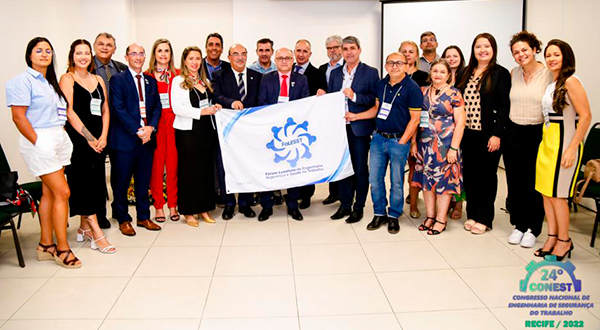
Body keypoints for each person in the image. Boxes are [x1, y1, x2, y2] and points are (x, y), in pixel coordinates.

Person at [6, 37, 80, 268]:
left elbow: (60, 112)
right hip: (41, 140)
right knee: (63, 192)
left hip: (58, 137)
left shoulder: (50, 83)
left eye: (48, 51)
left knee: (49, 193)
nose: (44, 54)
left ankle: (45, 244)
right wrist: (38, 142)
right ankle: (62, 248)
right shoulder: (21, 81)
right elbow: (18, 117)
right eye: (39, 50)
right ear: (30, 55)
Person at [346, 52, 421, 234]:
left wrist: (403, 141)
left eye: (398, 63)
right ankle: (379, 213)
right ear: (386, 66)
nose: (394, 66)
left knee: (396, 181)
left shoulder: (412, 88)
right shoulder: (381, 84)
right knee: (375, 179)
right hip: (378, 139)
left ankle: (394, 215)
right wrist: (356, 116)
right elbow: (377, 109)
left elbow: (415, 119)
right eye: (390, 63)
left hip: (398, 140)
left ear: (406, 65)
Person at [535, 39, 591, 260]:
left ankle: (564, 240)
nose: (551, 58)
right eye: (548, 55)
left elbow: (586, 116)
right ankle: (552, 236)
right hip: (548, 143)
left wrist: (572, 148)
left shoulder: (571, 81)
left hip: (564, 145)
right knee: (546, 194)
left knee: (559, 197)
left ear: (565, 56)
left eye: (556, 54)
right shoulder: (552, 83)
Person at [59, 39, 115, 254]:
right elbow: (69, 111)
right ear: (72, 56)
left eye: (86, 53)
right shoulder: (67, 78)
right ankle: (96, 232)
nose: (83, 56)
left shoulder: (98, 79)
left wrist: (103, 136)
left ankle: (83, 227)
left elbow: (105, 110)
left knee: (96, 182)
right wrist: (89, 138)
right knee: (83, 183)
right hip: (78, 141)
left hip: (99, 142)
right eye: (78, 53)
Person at [456, 33, 511, 235]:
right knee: (470, 175)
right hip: (467, 133)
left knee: (487, 176)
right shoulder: (465, 72)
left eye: (486, 46)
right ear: (473, 50)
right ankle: (472, 215)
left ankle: (485, 218)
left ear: (493, 49)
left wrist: (497, 134)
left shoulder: (500, 73)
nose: (482, 50)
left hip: (488, 135)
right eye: (478, 46)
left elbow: (505, 106)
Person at [504, 31, 553, 248]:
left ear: (534, 49)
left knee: (534, 182)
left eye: (524, 50)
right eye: (516, 52)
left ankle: (533, 227)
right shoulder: (514, 73)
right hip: (513, 132)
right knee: (515, 181)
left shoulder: (549, 74)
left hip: (537, 133)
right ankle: (519, 225)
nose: (521, 54)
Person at [109, 43, 162, 236]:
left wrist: (151, 128)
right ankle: (123, 219)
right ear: (126, 57)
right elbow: (118, 108)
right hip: (125, 141)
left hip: (146, 140)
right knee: (121, 182)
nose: (138, 57)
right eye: (134, 54)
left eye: (141, 54)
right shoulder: (118, 80)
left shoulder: (150, 81)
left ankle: (143, 217)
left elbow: (157, 107)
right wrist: (138, 130)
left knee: (142, 181)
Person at [412, 59, 466, 235]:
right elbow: (416, 119)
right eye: (435, 71)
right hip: (425, 145)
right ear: (430, 73)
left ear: (448, 74)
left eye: (442, 72)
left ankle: (441, 220)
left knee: (443, 184)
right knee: (427, 183)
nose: (438, 75)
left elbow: (460, 123)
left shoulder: (454, 94)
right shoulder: (423, 91)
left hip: (446, 146)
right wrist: (414, 142)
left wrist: (453, 148)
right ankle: (430, 216)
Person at [328, 36, 379, 223]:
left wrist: (355, 96)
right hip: (339, 128)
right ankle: (345, 205)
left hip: (359, 128)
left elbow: (375, 100)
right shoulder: (335, 73)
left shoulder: (371, 72)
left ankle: (359, 208)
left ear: (359, 50)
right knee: (342, 168)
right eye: (345, 49)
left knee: (359, 169)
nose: (349, 52)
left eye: (352, 48)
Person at [171, 46, 222, 227]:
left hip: (206, 130)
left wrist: (214, 108)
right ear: (184, 61)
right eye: (191, 58)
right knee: (189, 172)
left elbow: (208, 103)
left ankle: (204, 208)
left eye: (198, 58)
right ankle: (189, 211)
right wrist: (203, 111)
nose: (194, 62)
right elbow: (177, 108)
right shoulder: (178, 81)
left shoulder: (205, 80)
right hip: (188, 133)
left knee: (205, 171)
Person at [257, 47, 310, 221]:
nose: (284, 61)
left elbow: (305, 104)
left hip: (292, 132)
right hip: (272, 131)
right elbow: (262, 103)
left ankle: (293, 205)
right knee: (269, 166)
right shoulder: (266, 79)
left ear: (293, 60)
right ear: (275, 61)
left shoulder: (301, 79)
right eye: (280, 58)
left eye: (288, 58)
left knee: (292, 168)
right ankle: (266, 205)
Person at [212, 44, 262, 220]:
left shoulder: (257, 76)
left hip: (249, 132)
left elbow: (260, 101)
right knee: (225, 166)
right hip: (227, 131)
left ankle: (245, 203)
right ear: (229, 57)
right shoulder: (218, 76)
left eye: (243, 54)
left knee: (246, 165)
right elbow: (216, 96)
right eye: (235, 54)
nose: (240, 57)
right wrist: (231, 102)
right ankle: (229, 203)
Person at [91, 32, 127, 229]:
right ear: (94, 46)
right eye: (101, 44)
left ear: (115, 49)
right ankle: (99, 214)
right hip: (96, 130)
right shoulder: (85, 67)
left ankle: (118, 209)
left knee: (119, 173)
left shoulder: (121, 69)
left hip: (119, 129)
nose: (105, 47)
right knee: (97, 175)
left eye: (109, 45)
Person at [145, 39, 180, 223]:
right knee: (156, 168)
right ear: (154, 54)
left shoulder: (178, 75)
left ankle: (173, 205)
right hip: (156, 125)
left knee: (173, 166)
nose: (163, 54)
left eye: (167, 50)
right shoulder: (146, 76)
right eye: (160, 50)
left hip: (174, 125)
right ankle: (159, 206)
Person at [294, 39, 328, 209]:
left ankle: (306, 195)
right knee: (292, 159)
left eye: (304, 51)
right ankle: (293, 193)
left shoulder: (318, 73)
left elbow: (323, 92)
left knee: (307, 159)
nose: (301, 54)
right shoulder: (286, 69)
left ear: (310, 54)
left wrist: (322, 92)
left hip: (308, 125)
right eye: (298, 51)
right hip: (289, 124)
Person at [399, 40, 429, 219]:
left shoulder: (424, 76)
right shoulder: (395, 75)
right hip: (398, 126)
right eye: (404, 51)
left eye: (411, 52)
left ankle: (414, 200)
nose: (408, 54)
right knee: (397, 167)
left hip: (417, 126)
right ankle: (401, 197)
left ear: (417, 56)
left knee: (414, 165)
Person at [319, 35, 344, 206]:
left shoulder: (349, 67)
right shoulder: (322, 69)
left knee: (345, 157)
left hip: (346, 118)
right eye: (329, 48)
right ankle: (333, 192)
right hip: (327, 119)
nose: (332, 51)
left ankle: (346, 194)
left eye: (335, 47)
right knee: (331, 156)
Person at [441, 45, 467, 219]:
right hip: (443, 134)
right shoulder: (440, 76)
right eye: (448, 56)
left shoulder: (467, 76)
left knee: (460, 169)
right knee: (446, 170)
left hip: (462, 128)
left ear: (461, 57)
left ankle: (458, 204)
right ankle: (446, 202)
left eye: (455, 55)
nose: (451, 59)